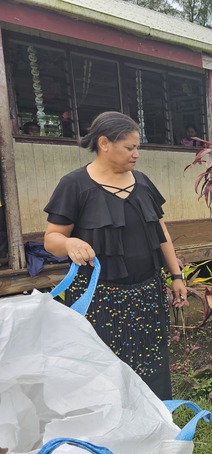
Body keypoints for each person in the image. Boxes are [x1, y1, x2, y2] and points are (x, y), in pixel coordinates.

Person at [44, 111, 188, 400]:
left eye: (138, 148)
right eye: (130, 147)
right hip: (99, 299)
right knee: (104, 365)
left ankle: (155, 420)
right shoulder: (74, 185)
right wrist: (69, 243)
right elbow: (51, 239)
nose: (136, 154)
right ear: (104, 143)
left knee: (151, 361)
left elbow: (162, 234)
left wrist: (176, 276)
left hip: (147, 293)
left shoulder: (143, 182)